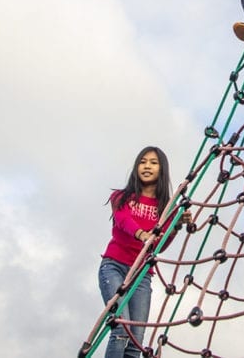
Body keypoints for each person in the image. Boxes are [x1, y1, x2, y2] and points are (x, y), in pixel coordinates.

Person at [98, 146, 189, 358]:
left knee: (136, 340)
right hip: (114, 266)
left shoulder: (166, 208)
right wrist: (142, 234)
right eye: (143, 161)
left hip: (142, 274)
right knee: (121, 327)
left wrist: (175, 226)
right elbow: (123, 221)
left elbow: (158, 246)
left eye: (153, 163)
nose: (147, 166)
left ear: (162, 170)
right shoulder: (120, 197)